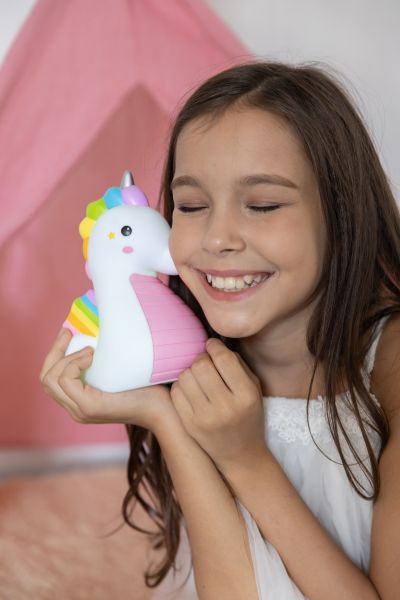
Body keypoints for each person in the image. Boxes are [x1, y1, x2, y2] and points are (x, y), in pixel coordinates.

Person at [40, 61, 400, 600]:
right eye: (191, 206)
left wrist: (245, 460)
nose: (217, 238)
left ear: (343, 212)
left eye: (263, 205)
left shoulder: (389, 362)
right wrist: (166, 418)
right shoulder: (183, 359)